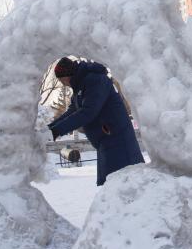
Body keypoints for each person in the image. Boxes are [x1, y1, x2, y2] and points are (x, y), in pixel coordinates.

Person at [48, 57, 145, 186]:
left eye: (61, 80)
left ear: (67, 75)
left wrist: (56, 131)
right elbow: (72, 111)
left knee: (124, 185)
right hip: (106, 142)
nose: (63, 83)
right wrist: (50, 129)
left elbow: (88, 112)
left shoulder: (96, 81)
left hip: (119, 142)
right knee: (110, 186)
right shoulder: (80, 88)